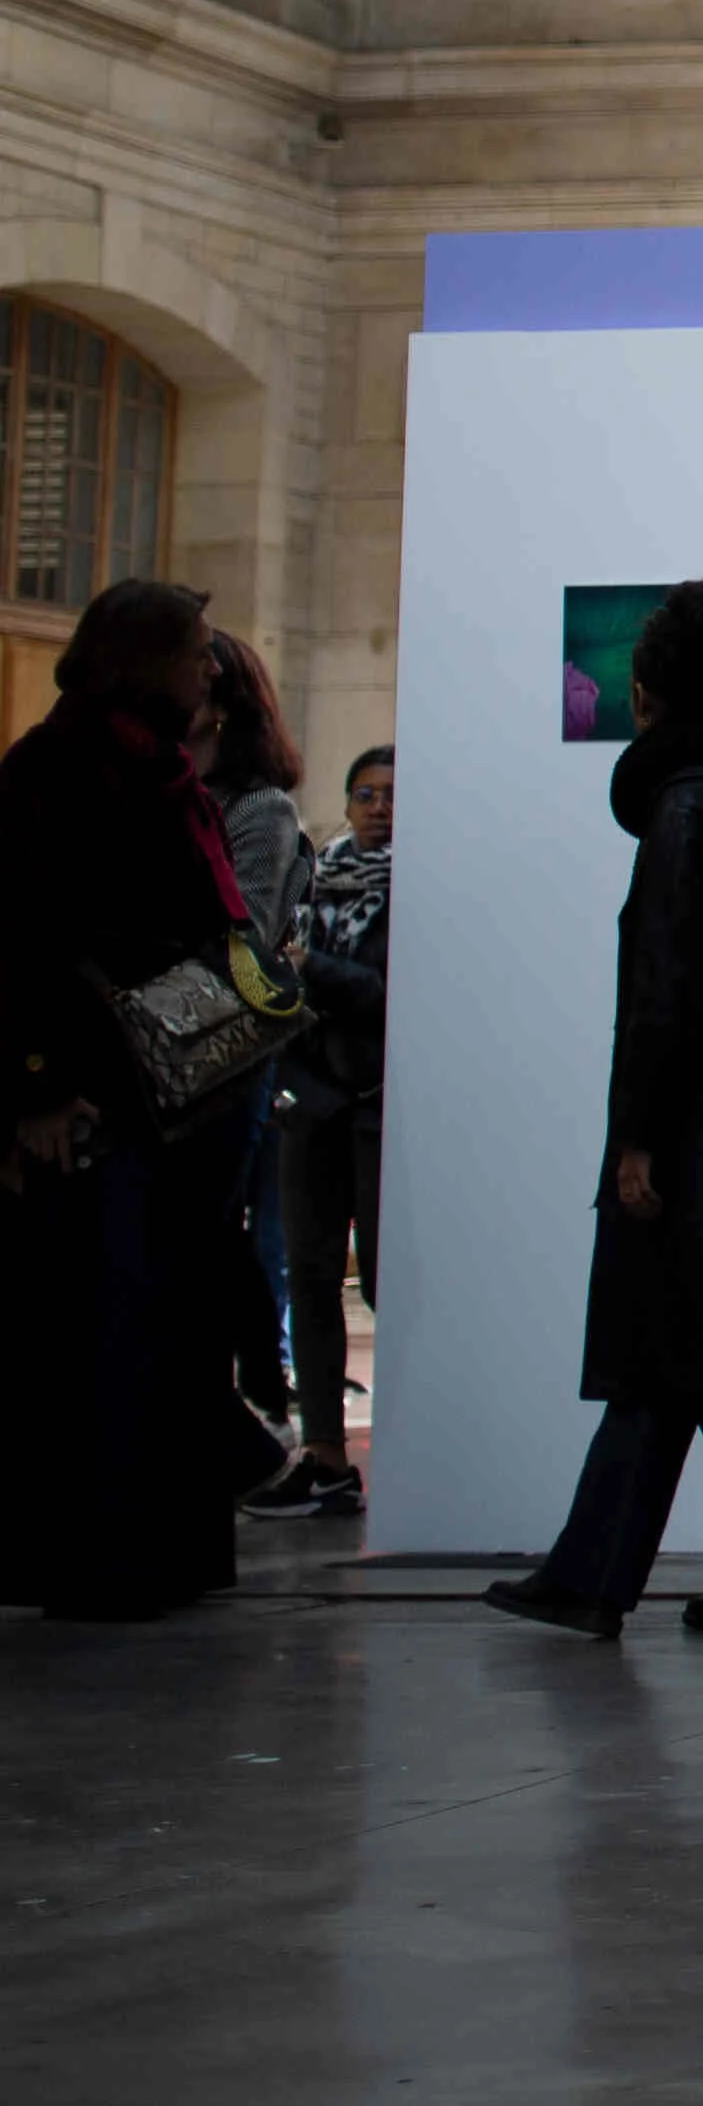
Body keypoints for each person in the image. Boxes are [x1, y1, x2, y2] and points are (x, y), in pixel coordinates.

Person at [485, 581, 703, 1640]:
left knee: (678, 1351)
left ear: (651, 690)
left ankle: (597, 1576)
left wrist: (638, 1131)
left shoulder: (692, 808)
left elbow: (669, 988)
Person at [0, 582, 267, 1619]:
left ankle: (165, 1551)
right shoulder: (55, 769)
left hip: (182, 1093)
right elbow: (22, 935)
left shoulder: (168, 774)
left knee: (170, 1315)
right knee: (106, 1323)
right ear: (143, 657)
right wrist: (38, 1084)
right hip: (99, 1089)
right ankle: (101, 1559)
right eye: (197, 652)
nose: (211, 669)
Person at [193, 632, 312, 1498]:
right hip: (162, 1058)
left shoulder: (254, 806)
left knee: (212, 1254)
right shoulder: (165, 793)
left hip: (209, 1066)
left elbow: (246, 941)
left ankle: (247, 1446)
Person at [263, 745, 393, 1518]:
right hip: (309, 1102)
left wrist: (312, 968)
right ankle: (323, 1453)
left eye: (391, 795)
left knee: (385, 1282)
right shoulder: (313, 879)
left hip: (380, 1104)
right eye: (365, 793)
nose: (378, 807)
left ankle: (412, 1446)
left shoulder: (421, 890)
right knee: (310, 1278)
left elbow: (390, 993)